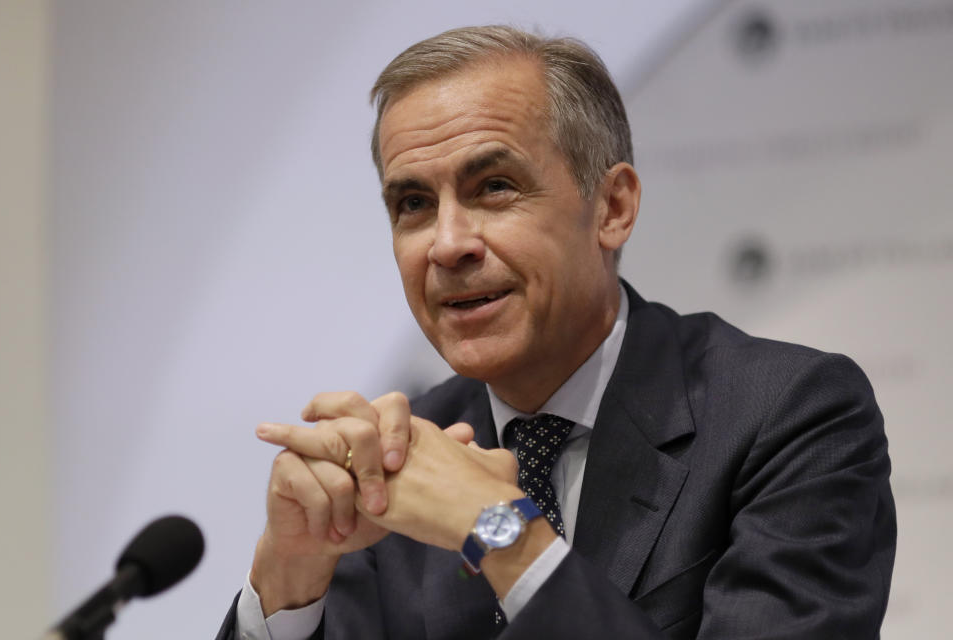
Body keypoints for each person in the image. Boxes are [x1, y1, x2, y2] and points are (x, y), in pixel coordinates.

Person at [218, 25, 896, 639]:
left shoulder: (788, 414)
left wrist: (497, 528)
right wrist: (287, 583)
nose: (447, 245)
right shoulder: (400, 453)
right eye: (414, 204)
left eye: (494, 187)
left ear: (613, 207)